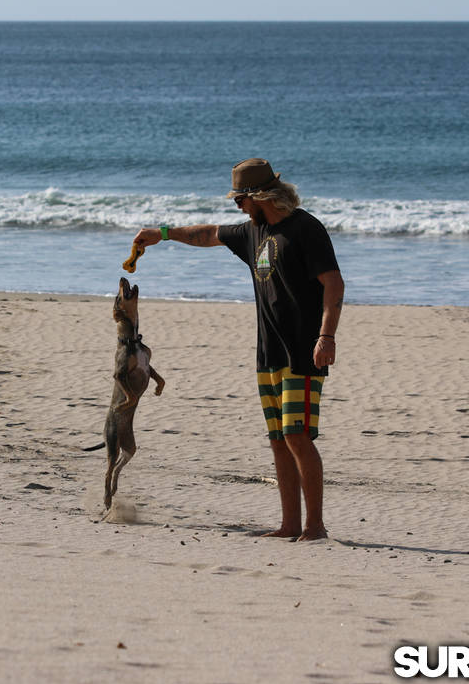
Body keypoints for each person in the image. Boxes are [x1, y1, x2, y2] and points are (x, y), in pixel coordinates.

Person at [133, 158, 344, 541]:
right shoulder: (253, 233)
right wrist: (162, 233)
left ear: (258, 196)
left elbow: (334, 284)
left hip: (303, 352)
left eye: (238, 200)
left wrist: (326, 337)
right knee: (279, 439)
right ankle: (289, 525)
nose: (237, 207)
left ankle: (315, 526)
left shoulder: (305, 228)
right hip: (269, 355)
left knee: (298, 437)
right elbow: (208, 234)